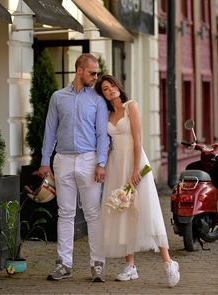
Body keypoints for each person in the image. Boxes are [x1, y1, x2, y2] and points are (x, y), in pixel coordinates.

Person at [94, 75, 180, 287]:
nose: (110, 90)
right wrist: (102, 164)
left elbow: (138, 139)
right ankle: (130, 266)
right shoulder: (106, 114)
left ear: (118, 87)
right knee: (123, 211)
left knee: (147, 210)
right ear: (102, 94)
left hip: (136, 163)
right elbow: (107, 142)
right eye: (105, 89)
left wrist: (136, 169)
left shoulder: (131, 106)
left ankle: (168, 262)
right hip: (116, 165)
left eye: (112, 86)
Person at [38, 53, 110, 282]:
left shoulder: (97, 100)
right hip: (63, 160)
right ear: (79, 70)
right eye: (92, 73)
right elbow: (50, 130)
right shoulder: (58, 97)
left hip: (89, 160)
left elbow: (102, 134)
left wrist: (101, 163)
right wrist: (44, 161)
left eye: (97, 73)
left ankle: (97, 264)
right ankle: (64, 264)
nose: (96, 77)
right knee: (65, 213)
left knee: (93, 214)